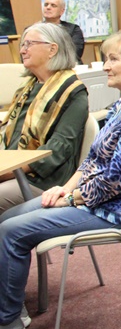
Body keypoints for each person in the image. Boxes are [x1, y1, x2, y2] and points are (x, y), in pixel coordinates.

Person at [0, 30, 121, 329]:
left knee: (11, 232)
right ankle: (11, 306)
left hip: (112, 212)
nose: (104, 65)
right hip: (91, 201)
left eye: (112, 58)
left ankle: (7, 323)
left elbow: (115, 182)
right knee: (6, 221)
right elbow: (92, 160)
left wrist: (69, 200)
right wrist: (64, 189)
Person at [0, 23, 89, 214]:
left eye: (29, 44)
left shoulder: (72, 92)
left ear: (52, 49)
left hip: (44, 180)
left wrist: (9, 170)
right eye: (22, 45)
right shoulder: (28, 88)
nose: (23, 50)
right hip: (11, 170)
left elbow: (58, 148)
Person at [41, 0, 85, 64]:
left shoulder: (73, 29)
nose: (48, 7)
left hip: (67, 67)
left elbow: (74, 54)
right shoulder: (33, 30)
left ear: (62, 11)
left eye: (53, 5)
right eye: (46, 5)